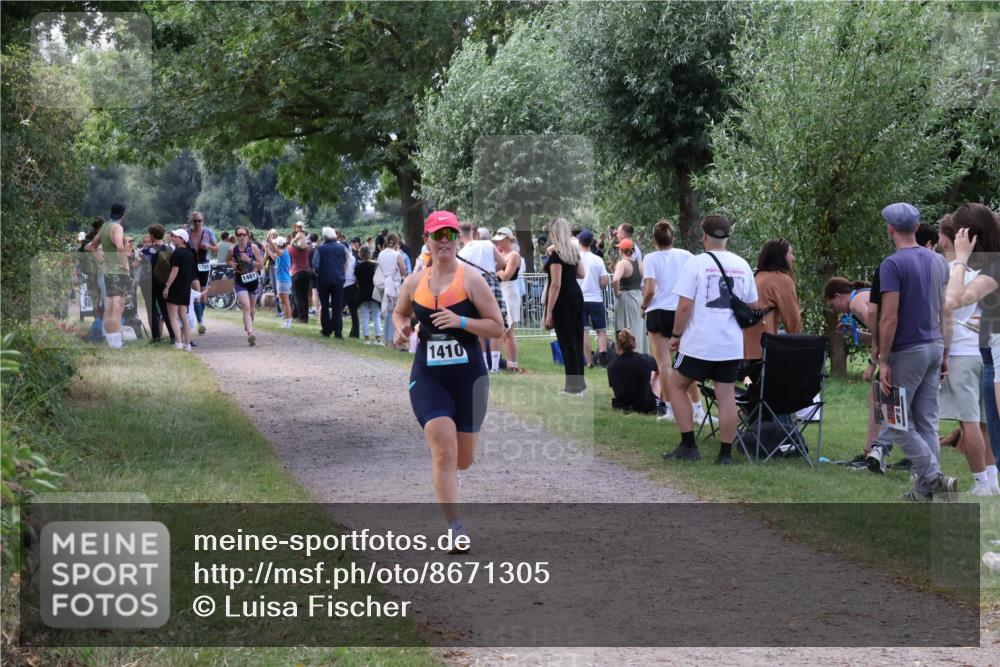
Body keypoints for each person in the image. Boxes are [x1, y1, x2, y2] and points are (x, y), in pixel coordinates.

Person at [393, 210, 504, 550]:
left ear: (458, 239)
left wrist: (461, 322)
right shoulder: (414, 282)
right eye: (437, 235)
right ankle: (455, 528)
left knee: (463, 459)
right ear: (426, 239)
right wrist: (402, 329)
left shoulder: (472, 280)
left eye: (450, 234)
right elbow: (399, 313)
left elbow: (497, 327)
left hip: (469, 376)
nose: (444, 240)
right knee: (443, 447)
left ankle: (452, 477)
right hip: (429, 375)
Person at [876, 202, 956, 501]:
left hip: (907, 351)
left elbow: (889, 318)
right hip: (935, 347)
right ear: (917, 227)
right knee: (927, 422)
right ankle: (923, 494)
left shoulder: (892, 265)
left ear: (890, 229)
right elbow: (946, 312)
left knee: (895, 421)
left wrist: (884, 360)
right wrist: (945, 353)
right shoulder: (939, 262)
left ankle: (934, 477)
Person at [664, 214, 758, 465]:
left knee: (676, 386)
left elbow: (684, 306)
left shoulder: (695, 263)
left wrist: (676, 335)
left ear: (704, 236)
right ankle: (725, 454)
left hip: (699, 343)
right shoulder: (742, 264)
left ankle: (688, 445)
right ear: (727, 237)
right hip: (730, 344)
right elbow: (752, 305)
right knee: (725, 395)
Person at [944, 202, 1000, 495]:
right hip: (985, 354)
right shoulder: (990, 267)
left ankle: (984, 483)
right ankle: (990, 483)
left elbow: (952, 301)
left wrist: (960, 260)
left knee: (981, 424)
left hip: (983, 355)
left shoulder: (991, 267)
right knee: (990, 428)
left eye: (958, 233)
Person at [641, 219, 703, 423]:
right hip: (680, 311)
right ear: (673, 237)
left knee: (664, 365)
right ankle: (697, 408)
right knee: (687, 363)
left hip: (658, 311)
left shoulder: (650, 258)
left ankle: (671, 410)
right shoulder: (686, 256)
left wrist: (643, 307)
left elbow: (650, 290)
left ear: (654, 240)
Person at [823, 277, 889, 460]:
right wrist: (855, 333)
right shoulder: (862, 296)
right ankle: (878, 451)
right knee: (884, 399)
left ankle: (870, 453)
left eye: (833, 304)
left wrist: (872, 364)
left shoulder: (855, 303)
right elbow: (877, 334)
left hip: (897, 350)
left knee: (877, 398)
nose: (835, 309)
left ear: (838, 296)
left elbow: (880, 331)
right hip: (903, 346)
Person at [544, 218, 587, 395]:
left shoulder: (557, 255)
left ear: (554, 233)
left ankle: (573, 387)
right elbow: (582, 273)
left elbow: (555, 284)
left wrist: (549, 311)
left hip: (563, 299)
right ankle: (579, 385)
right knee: (576, 340)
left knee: (567, 343)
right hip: (576, 295)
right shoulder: (572, 252)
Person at [743, 239, 802, 362]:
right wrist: (796, 342)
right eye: (790, 253)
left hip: (744, 345)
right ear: (781, 257)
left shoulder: (756, 275)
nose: (793, 258)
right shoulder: (782, 280)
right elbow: (793, 321)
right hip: (761, 348)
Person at [459, 224, 506, 371]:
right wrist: (491, 272)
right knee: (495, 323)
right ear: (474, 232)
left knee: (479, 326)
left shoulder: (461, 253)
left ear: (460, 236)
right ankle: (495, 367)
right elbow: (503, 263)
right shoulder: (487, 244)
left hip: (474, 286)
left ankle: (484, 365)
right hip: (492, 282)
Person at [86, 203, 129, 349]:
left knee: (109, 308)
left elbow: (90, 246)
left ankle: (112, 342)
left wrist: (102, 263)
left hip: (107, 272)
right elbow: (120, 247)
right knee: (117, 309)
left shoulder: (104, 226)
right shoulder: (117, 227)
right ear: (123, 214)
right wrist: (125, 265)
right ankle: (117, 344)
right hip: (119, 272)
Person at [578, 230, 610, 368]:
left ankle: (589, 361)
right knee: (601, 330)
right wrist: (599, 286)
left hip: (579, 299)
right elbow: (604, 280)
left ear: (579, 241)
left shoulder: (575, 258)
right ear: (592, 242)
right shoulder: (598, 259)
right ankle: (603, 359)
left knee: (583, 331)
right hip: (596, 298)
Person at [493, 226, 523, 372]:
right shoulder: (500, 254)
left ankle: (513, 363)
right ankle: (507, 363)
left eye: (501, 239)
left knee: (509, 332)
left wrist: (495, 268)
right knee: (503, 332)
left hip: (509, 292)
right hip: (500, 291)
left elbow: (506, 276)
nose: (498, 242)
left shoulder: (514, 255)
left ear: (508, 239)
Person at [607, 328, 659, 414]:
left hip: (621, 406)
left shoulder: (611, 366)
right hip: (645, 407)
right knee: (658, 373)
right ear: (634, 343)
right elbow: (660, 368)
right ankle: (662, 402)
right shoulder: (645, 359)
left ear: (617, 345)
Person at [139, 224, 175, 344]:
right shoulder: (169, 249)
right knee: (166, 310)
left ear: (152, 235)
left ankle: (156, 338)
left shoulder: (146, 250)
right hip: (164, 282)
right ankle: (173, 336)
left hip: (148, 282)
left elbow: (138, 264)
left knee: (152, 309)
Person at [228, 225, 263, 347]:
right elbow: (228, 260)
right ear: (236, 237)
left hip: (253, 280)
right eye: (239, 234)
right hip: (240, 281)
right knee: (246, 307)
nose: (242, 237)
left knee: (252, 309)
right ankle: (250, 333)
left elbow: (261, 265)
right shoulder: (233, 249)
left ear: (248, 236)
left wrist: (249, 260)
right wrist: (231, 264)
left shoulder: (253, 247)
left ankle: (248, 324)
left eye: (244, 234)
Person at [612, 239, 648, 354]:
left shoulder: (622, 263)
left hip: (626, 298)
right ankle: (640, 354)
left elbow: (615, 279)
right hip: (638, 297)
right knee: (638, 328)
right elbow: (646, 279)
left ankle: (629, 355)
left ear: (621, 250)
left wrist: (617, 292)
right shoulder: (639, 263)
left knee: (626, 328)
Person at [313, 226, 348, 338]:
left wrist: (317, 273)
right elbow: (345, 262)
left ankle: (326, 329)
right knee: (337, 306)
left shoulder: (320, 249)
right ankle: (338, 332)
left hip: (323, 280)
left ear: (324, 237)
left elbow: (315, 265)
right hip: (338, 279)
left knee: (324, 305)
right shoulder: (342, 248)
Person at [162, 228, 195, 351]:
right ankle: (188, 344)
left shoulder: (177, 253)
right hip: (185, 287)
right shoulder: (189, 253)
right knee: (183, 316)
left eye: (176, 237)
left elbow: (174, 271)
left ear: (183, 239)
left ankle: (178, 342)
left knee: (173, 316)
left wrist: (167, 286)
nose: (173, 238)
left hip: (176, 286)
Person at [187, 212, 217, 335]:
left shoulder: (209, 232)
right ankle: (200, 322)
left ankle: (200, 317)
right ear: (192, 222)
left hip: (204, 264)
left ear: (203, 221)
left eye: (199, 220)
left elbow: (217, 248)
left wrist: (208, 247)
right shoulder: (187, 233)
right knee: (197, 291)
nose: (197, 223)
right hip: (191, 264)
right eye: (195, 221)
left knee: (203, 294)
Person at [377, 233, 408, 347]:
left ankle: (386, 339)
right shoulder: (397, 255)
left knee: (387, 313)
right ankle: (391, 340)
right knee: (394, 313)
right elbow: (403, 271)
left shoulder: (381, 254)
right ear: (397, 242)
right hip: (393, 285)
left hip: (383, 284)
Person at [354, 246, 382, 344]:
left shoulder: (358, 267)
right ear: (370, 254)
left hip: (362, 292)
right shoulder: (375, 266)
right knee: (376, 315)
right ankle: (378, 339)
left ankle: (367, 339)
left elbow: (356, 281)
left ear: (360, 254)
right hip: (374, 292)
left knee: (364, 316)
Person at [289, 231, 311, 323]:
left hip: (296, 273)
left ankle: (300, 317)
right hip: (306, 273)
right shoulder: (307, 249)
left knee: (297, 296)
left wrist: (293, 241)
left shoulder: (290, 249)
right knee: (305, 296)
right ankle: (305, 317)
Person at [273, 236, 293, 329]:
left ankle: (288, 322)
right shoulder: (283, 253)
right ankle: (286, 320)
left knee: (285, 302)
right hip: (283, 280)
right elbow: (273, 256)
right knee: (283, 301)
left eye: (276, 244)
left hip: (283, 280)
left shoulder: (283, 253)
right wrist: (267, 250)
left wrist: (270, 242)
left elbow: (276, 251)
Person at [344, 240, 360, 338]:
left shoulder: (342, 258)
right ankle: (355, 333)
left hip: (344, 285)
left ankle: (336, 328)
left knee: (338, 309)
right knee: (354, 311)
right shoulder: (353, 258)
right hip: (353, 285)